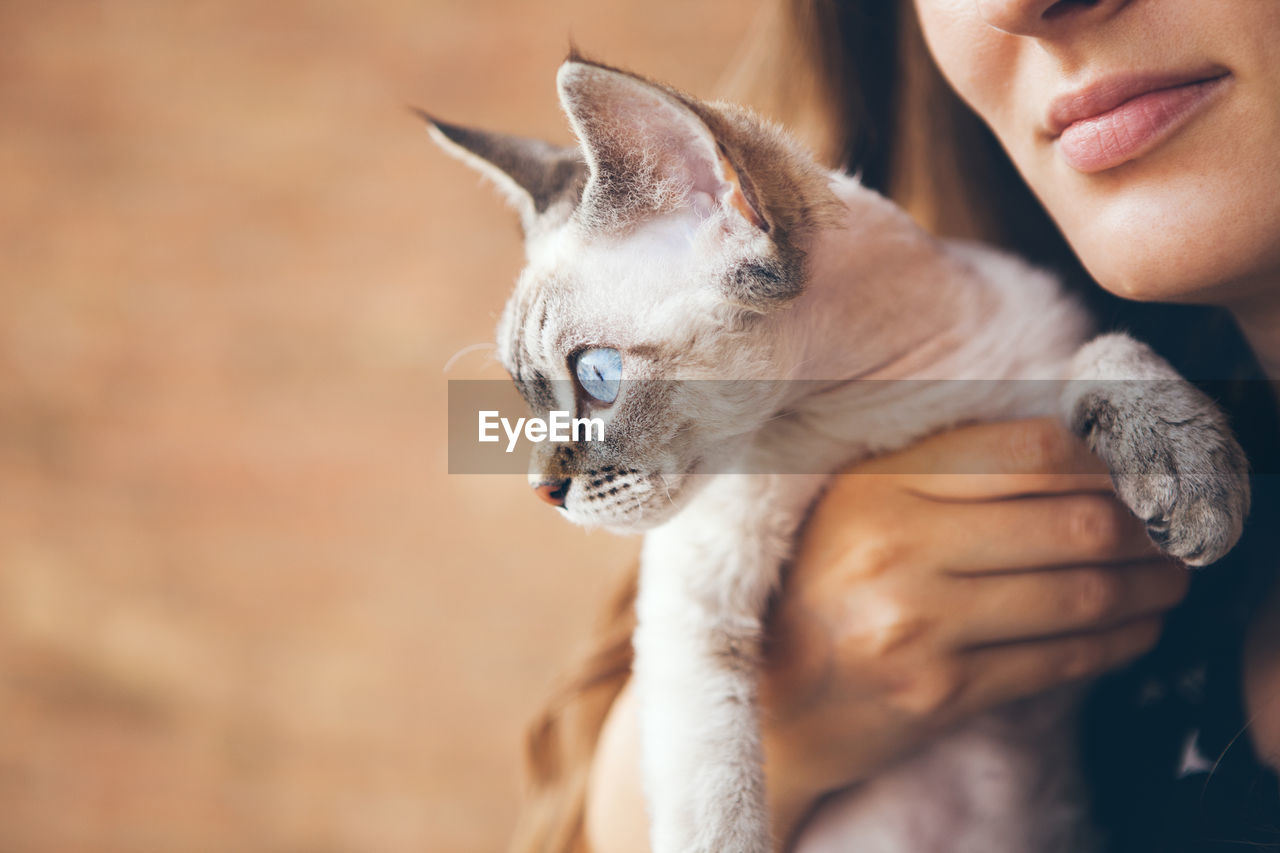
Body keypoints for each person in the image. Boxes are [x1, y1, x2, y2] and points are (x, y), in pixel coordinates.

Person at [507, 2, 1280, 851]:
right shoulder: (759, 415)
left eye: (597, 378)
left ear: (724, 202)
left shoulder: (1017, 323)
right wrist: (796, 714)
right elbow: (665, 676)